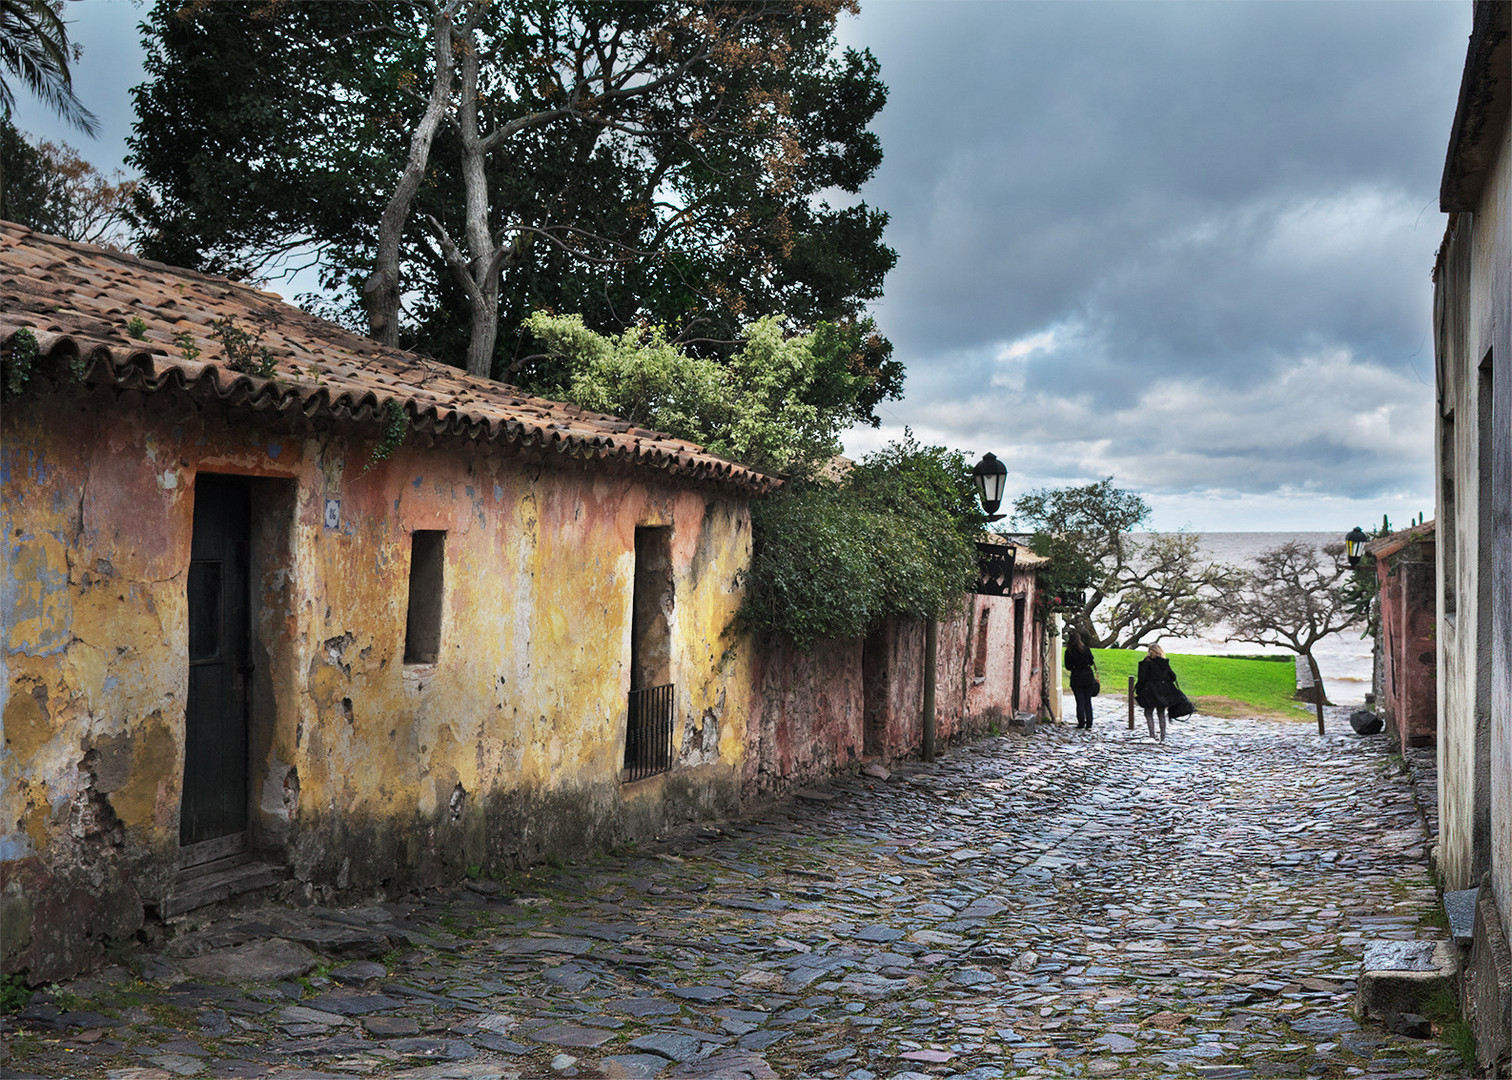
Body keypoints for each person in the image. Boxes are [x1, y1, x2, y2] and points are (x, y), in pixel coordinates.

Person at [1134, 643, 1179, 742]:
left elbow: (1142, 678)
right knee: (1161, 713)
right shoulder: (1164, 662)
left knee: (1148, 713)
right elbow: (1173, 677)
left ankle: (1152, 736)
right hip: (1162, 692)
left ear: (1150, 651)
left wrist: (1138, 689)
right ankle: (1163, 737)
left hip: (1149, 691)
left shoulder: (1147, 662)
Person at [1064, 629, 1098, 729]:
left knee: (1079, 701)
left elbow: (1068, 666)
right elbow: (1091, 662)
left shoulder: (1069, 652)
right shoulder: (1086, 649)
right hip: (1088, 676)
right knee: (1088, 700)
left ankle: (1081, 722)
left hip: (1076, 677)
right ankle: (1089, 722)